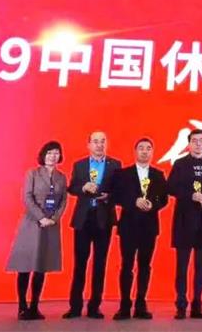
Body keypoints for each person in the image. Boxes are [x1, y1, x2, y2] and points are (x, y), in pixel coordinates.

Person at [6, 141, 68, 320]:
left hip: (51, 225)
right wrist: (41, 217)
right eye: (49, 153)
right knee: (25, 265)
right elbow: (27, 197)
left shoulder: (61, 177)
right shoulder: (32, 174)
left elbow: (64, 200)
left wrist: (54, 218)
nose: (52, 156)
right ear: (43, 155)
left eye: (56, 153)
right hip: (32, 223)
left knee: (42, 266)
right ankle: (22, 306)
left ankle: (34, 306)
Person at [64, 131, 121, 319]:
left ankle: (94, 306)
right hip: (83, 219)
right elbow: (72, 188)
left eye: (102, 141)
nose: (99, 145)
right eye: (95, 141)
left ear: (106, 144)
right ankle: (75, 306)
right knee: (80, 263)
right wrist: (83, 188)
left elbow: (120, 191)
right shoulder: (79, 165)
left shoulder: (115, 164)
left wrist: (109, 196)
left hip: (104, 218)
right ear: (88, 145)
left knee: (100, 263)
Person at [112, 138, 168, 320]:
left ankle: (141, 304)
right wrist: (133, 201)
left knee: (145, 266)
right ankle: (124, 305)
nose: (145, 151)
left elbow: (164, 199)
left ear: (152, 152)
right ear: (135, 151)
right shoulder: (123, 174)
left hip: (149, 227)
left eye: (148, 148)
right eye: (141, 148)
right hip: (128, 226)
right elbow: (116, 196)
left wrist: (153, 205)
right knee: (127, 265)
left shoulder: (158, 175)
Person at [167, 128, 202, 319]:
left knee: (200, 266)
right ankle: (181, 304)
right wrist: (190, 195)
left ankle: (197, 304)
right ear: (189, 144)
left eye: (201, 140)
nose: (198, 143)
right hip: (184, 220)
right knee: (182, 266)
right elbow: (170, 187)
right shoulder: (180, 164)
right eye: (194, 140)